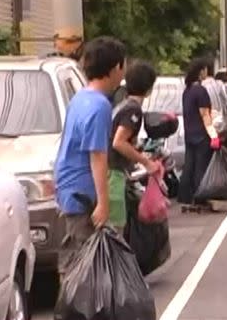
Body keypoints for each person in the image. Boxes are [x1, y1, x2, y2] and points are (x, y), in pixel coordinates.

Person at [53, 36, 126, 281]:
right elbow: (97, 156)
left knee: (78, 259)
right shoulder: (99, 106)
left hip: (69, 188)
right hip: (82, 193)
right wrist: (103, 203)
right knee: (83, 267)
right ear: (115, 68)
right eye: (122, 67)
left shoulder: (80, 98)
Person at [108, 60, 161, 233]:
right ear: (149, 89)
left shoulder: (122, 105)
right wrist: (146, 162)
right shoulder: (133, 110)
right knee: (116, 229)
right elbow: (119, 142)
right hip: (113, 173)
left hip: (109, 171)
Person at [178, 58, 221, 207]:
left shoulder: (187, 91)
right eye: (205, 70)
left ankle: (185, 196)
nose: (206, 73)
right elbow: (205, 115)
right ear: (200, 72)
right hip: (201, 135)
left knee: (189, 165)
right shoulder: (200, 91)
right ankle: (200, 197)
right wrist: (213, 135)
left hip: (189, 134)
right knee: (201, 166)